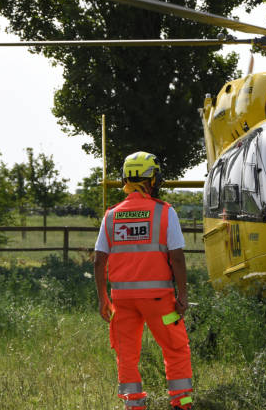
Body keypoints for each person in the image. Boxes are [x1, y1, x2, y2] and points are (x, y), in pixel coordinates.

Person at [93, 151, 194, 410]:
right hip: (160, 300)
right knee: (175, 348)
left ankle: (133, 404)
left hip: (122, 301)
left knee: (126, 354)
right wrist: (182, 296)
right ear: (151, 180)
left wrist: (103, 299)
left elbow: (98, 260)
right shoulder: (164, 212)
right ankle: (181, 403)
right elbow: (178, 259)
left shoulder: (112, 215)